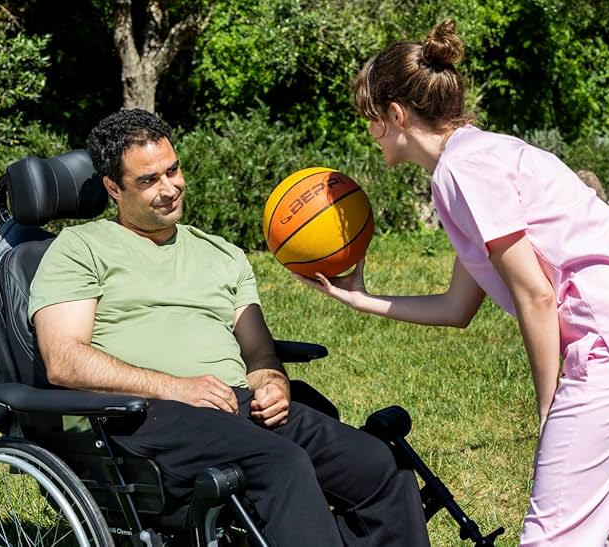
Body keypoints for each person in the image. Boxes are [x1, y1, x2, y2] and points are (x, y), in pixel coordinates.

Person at [295, 20, 609, 547]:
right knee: (587, 530)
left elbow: (536, 295)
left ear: (395, 115)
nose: (368, 134)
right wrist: (361, 299)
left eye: (370, 119)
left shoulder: (465, 171)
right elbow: (460, 306)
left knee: (553, 536)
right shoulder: (470, 160)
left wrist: (550, 404)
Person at [28, 108, 430, 547]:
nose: (169, 188)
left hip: (237, 405)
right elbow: (64, 359)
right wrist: (174, 387)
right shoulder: (81, 248)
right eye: (148, 181)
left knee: (377, 463)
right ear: (112, 188)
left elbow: (258, 352)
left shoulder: (222, 254)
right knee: (281, 463)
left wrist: (273, 382)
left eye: (173, 170)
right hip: (137, 415)